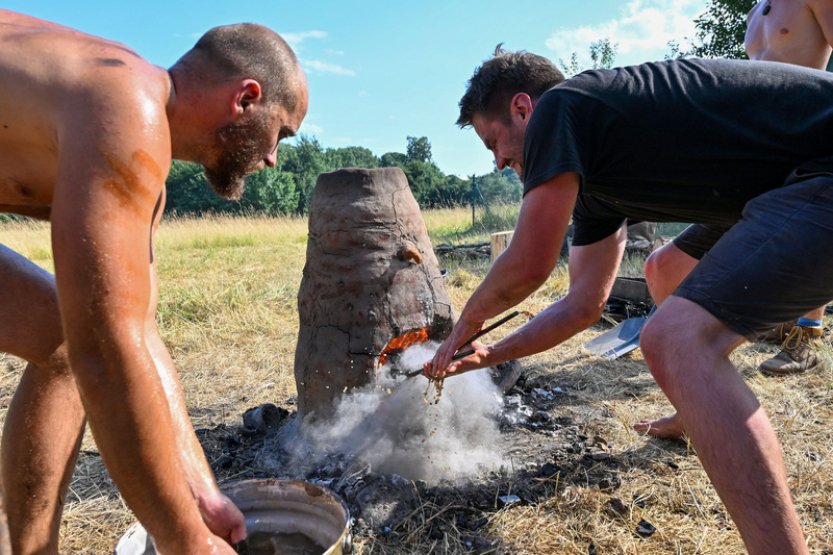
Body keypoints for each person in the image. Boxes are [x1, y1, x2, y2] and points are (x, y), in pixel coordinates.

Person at [425, 47, 833, 554]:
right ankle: (697, 413)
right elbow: (583, 306)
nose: (500, 162)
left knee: (677, 340)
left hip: (822, 169)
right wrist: (489, 354)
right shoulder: (593, 181)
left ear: (524, 109)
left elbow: (529, 264)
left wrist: (465, 322)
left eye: (494, 143)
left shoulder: (561, 107)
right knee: (665, 268)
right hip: (778, 185)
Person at [0, 10, 307, 554]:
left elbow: (137, 333)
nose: (272, 157)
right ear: (246, 98)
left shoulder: (137, 138)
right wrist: (185, 540)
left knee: (62, 340)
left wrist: (202, 494)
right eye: (280, 131)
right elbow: (106, 349)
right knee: (77, 342)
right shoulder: (126, 101)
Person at [634, 0, 833, 440]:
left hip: (808, 156)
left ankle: (804, 340)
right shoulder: (756, 11)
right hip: (758, 158)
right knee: (661, 268)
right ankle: (695, 404)